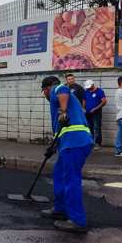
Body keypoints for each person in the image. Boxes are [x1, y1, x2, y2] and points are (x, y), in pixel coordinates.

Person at [40, 76, 93, 233]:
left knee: (70, 179)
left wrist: (63, 111)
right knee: (59, 175)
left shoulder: (57, 89)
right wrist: (53, 147)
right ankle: (60, 209)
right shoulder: (57, 104)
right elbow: (61, 130)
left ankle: (77, 221)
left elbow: (62, 89)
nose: (44, 95)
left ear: (47, 89)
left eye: (43, 91)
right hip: (68, 143)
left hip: (75, 142)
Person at [83, 80, 107, 150]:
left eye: (89, 87)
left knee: (97, 127)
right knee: (89, 127)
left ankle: (98, 143)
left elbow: (104, 101)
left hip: (96, 113)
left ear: (93, 85)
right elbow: (84, 100)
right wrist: (84, 107)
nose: (88, 88)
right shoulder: (86, 91)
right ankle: (90, 142)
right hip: (88, 112)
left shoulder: (99, 91)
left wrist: (95, 108)